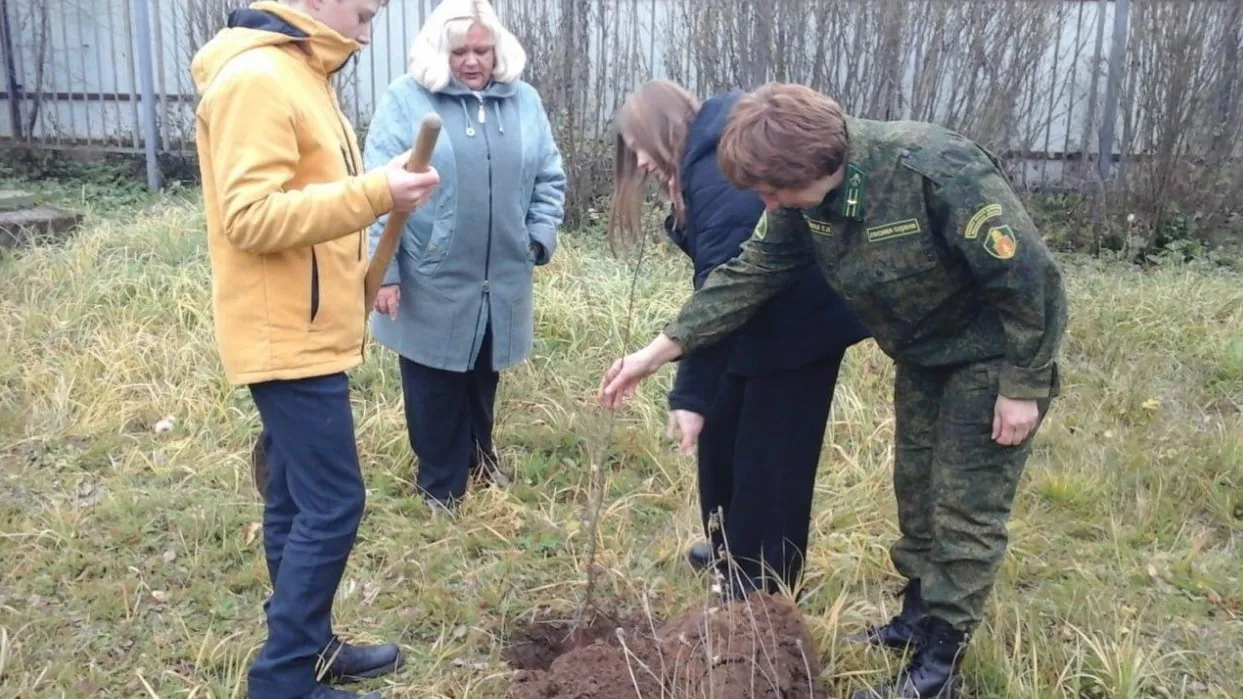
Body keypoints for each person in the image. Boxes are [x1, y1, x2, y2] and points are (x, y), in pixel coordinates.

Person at [597, 82, 1067, 699]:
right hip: (925, 353)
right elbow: (748, 274)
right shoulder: (800, 201)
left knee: (965, 507)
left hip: (991, 353)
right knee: (918, 492)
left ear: (813, 168)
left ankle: (940, 666)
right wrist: (655, 354)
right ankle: (915, 620)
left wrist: (1023, 384)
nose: (767, 204)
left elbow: (1029, 277)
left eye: (771, 192)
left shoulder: (932, 170)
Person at [191, 2, 441, 698]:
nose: (377, 10)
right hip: (283, 334)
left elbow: (311, 192)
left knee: (298, 498)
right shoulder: (257, 80)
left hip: (311, 326)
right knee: (333, 503)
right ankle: (282, 677)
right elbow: (249, 216)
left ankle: (307, 643)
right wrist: (374, 192)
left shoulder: (302, 73)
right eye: (363, 6)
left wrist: (381, 186)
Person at [607, 80, 870, 601]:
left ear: (664, 131)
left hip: (798, 329)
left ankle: (763, 582)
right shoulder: (703, 160)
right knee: (722, 442)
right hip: (747, 326)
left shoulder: (715, 174)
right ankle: (730, 546)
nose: (637, 161)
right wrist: (699, 394)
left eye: (638, 145)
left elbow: (724, 282)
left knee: (771, 461)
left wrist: (689, 393)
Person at [363, 0, 566, 512]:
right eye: (460, 51)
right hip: (431, 271)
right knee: (433, 378)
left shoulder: (524, 102)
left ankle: (480, 458)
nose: (473, 61)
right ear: (439, 50)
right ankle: (439, 483)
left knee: (482, 370)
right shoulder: (405, 102)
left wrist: (538, 234)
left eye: (482, 49)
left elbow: (548, 174)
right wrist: (384, 270)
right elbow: (378, 189)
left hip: (501, 273)